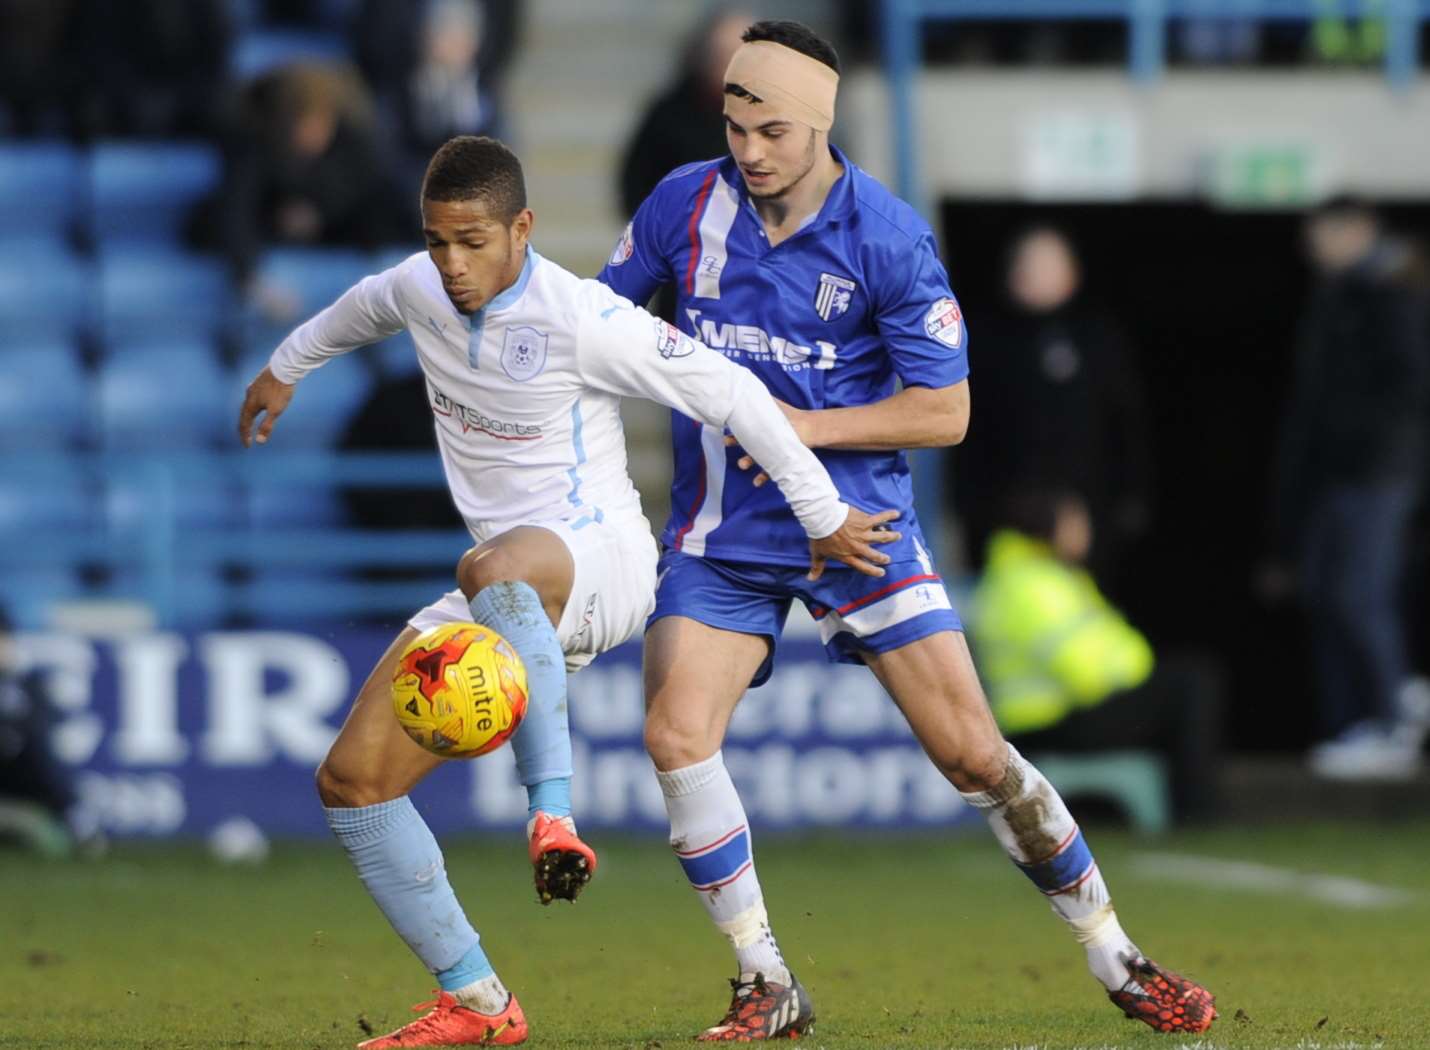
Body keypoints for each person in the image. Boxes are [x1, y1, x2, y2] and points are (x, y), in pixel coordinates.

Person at [600, 20, 1215, 1040]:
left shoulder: (884, 235)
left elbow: (946, 410)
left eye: (772, 131)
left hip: (859, 534)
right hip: (724, 531)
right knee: (673, 735)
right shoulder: (683, 202)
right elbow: (602, 325)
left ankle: (1118, 958)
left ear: (820, 127)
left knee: (974, 757)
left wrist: (795, 427)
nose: (748, 150)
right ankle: (765, 983)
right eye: (734, 124)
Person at [237, 134, 893, 1049]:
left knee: (491, 565)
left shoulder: (582, 317)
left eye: (472, 241)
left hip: (604, 561)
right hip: (508, 586)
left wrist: (821, 513)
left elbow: (734, 393)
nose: (452, 265)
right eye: (437, 242)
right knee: (352, 782)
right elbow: (354, 311)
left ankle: (551, 814)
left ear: (523, 229)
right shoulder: (420, 287)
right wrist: (283, 371)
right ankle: (476, 1000)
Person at [1265, 197, 1430, 780]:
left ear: (1358, 230)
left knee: (1362, 593)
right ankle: (1364, 720)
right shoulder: (1335, 297)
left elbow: (1407, 393)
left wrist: (1376, 454)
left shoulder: (1395, 292)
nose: (1313, 247)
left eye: (1323, 233)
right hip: (1337, 476)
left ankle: (1396, 717)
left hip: (1378, 472)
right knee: (1330, 593)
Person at [969, 487, 1223, 823]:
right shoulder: (1032, 584)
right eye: (1076, 520)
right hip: (1048, 722)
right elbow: (1085, 671)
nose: (1084, 530)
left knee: (1189, 678)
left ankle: (1193, 807)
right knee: (1191, 684)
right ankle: (1197, 813)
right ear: (1049, 525)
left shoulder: (1041, 576)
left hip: (1058, 715)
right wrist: (1131, 668)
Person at [949, 225, 1151, 584]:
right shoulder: (984, 344)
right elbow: (964, 431)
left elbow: (1126, 424)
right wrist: (972, 507)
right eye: (1027, 264)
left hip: (1089, 516)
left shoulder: (1098, 340)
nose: (1033, 274)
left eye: (1047, 265)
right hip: (1009, 521)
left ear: (1072, 274)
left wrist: (1130, 496)